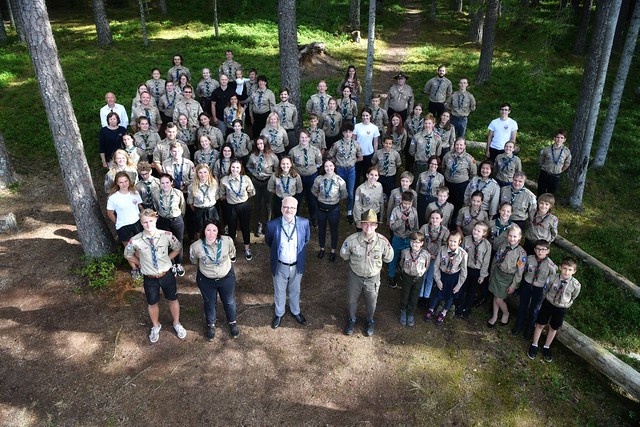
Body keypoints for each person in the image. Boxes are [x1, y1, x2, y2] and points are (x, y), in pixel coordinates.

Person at [124, 209, 186, 343]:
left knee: (173, 299)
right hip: (150, 278)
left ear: (156, 220)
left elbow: (177, 247)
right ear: (141, 223)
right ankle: (156, 326)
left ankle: (176, 323)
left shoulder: (167, 235)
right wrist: (140, 263)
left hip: (166, 275)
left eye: (151, 221)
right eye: (145, 222)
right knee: (152, 303)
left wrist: (169, 259)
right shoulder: (135, 240)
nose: (148, 224)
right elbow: (127, 255)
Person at [340, 209, 394, 337]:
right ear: (361, 225)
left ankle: (370, 320)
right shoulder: (352, 240)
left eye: (371, 224)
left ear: (376, 225)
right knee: (352, 299)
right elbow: (344, 254)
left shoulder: (383, 241)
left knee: (371, 301)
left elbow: (389, 257)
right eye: (365, 223)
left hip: (373, 277)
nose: (368, 226)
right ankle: (352, 319)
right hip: (355, 276)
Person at [189, 218, 239, 340]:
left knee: (229, 301)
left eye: (214, 230)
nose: (211, 233)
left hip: (226, 277)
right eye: (208, 230)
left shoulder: (227, 241)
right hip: (206, 279)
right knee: (209, 303)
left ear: (218, 231)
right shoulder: (196, 246)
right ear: (203, 231)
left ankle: (232, 322)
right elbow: (193, 260)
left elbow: (232, 253)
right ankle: (211, 324)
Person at [265, 196, 311, 329]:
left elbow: (306, 240)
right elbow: (270, 242)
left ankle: (295, 311)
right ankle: (279, 313)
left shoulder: (304, 223)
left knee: (295, 290)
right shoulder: (272, 225)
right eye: (285, 207)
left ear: (296, 209)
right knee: (279, 291)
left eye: (292, 207)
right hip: (280, 265)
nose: (288, 210)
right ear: (281, 208)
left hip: (297, 265)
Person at [528, 256, 581, 362]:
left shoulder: (576, 285)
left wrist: (566, 303)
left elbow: (573, 296)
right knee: (540, 324)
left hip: (561, 308)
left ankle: (546, 347)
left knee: (553, 327)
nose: (566, 272)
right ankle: (534, 344)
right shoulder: (552, 278)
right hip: (548, 303)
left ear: (574, 271)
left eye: (570, 270)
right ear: (560, 268)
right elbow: (545, 290)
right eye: (565, 268)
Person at [513, 240, 557, 339]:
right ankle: (518, 325)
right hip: (527, 285)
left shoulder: (551, 266)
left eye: (543, 249)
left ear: (548, 251)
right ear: (534, 250)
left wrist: (547, 293)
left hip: (539, 289)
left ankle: (529, 329)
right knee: (522, 306)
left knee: (534, 310)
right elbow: (522, 271)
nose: (540, 251)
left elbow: (551, 280)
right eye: (538, 249)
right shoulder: (529, 259)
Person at [424, 231, 468, 326]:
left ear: (459, 242)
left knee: (450, 296)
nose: (452, 243)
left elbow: (464, 272)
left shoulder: (463, 254)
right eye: (450, 241)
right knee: (436, 294)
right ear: (448, 240)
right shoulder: (442, 250)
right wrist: (438, 280)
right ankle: (431, 309)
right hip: (442, 275)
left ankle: (443, 313)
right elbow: (436, 266)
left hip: (454, 278)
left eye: (455, 241)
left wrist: (459, 285)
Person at [487, 225, 527, 327]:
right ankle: (495, 316)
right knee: (496, 296)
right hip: (497, 274)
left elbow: (519, 272)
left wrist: (514, 285)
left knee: (499, 299)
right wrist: (492, 273)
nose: (512, 238)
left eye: (514, 236)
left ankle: (506, 313)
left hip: (508, 278)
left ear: (519, 237)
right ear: (507, 236)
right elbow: (495, 261)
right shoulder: (502, 247)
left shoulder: (521, 253)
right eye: (510, 236)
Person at [219, 159, 256, 260]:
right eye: (233, 167)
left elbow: (252, 192)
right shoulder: (224, 180)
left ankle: (247, 248)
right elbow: (221, 195)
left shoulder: (246, 179)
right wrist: (230, 197)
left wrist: (242, 198)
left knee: (245, 227)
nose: (235, 169)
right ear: (230, 168)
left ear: (241, 169)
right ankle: (232, 250)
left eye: (237, 167)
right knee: (232, 228)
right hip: (231, 207)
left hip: (244, 206)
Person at [312, 159, 347, 262]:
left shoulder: (340, 181)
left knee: (334, 230)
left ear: (334, 167)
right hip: (321, 209)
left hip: (333, 209)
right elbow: (314, 191)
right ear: (324, 168)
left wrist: (335, 200)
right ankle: (322, 248)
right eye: (326, 166)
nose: (329, 168)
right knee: (321, 229)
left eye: (331, 166)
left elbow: (344, 194)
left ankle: (332, 251)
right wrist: (320, 198)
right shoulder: (319, 179)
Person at [328, 123, 363, 224]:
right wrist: (337, 162)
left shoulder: (356, 144)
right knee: (337, 191)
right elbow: (330, 156)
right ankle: (336, 210)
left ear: (352, 133)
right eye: (346, 132)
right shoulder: (337, 144)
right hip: (340, 170)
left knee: (351, 193)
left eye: (350, 132)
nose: (348, 134)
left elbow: (361, 157)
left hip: (351, 170)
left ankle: (349, 212)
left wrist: (352, 161)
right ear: (342, 133)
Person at [153, 173, 187, 276]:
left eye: (167, 182)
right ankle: (171, 263)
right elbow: (156, 207)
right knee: (166, 243)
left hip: (177, 220)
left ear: (171, 183)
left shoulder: (178, 193)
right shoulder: (156, 194)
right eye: (162, 183)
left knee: (178, 241)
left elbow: (182, 207)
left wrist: (178, 217)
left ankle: (179, 263)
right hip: (163, 221)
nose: (165, 185)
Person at [457, 221, 492, 318]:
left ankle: (466, 309)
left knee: (471, 291)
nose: (475, 232)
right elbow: (460, 254)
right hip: (465, 268)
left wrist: (482, 275)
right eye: (475, 229)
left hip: (476, 271)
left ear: (484, 233)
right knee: (462, 288)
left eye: (479, 231)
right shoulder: (466, 240)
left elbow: (486, 261)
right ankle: (459, 307)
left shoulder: (487, 245)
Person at [246, 137, 279, 237]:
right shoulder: (253, 155)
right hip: (256, 182)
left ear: (265, 144)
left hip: (267, 182)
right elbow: (249, 166)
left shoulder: (272, 156)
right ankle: (259, 224)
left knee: (268, 204)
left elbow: (277, 169)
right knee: (257, 204)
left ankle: (268, 225)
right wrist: (254, 173)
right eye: (258, 144)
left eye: (262, 144)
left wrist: (272, 177)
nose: (260, 146)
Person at [290, 129, 322, 226]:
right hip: (298, 177)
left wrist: (310, 169)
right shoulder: (293, 151)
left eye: (305, 137)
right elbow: (291, 164)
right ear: (299, 138)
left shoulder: (315, 150)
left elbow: (319, 162)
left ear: (309, 138)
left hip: (311, 177)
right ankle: (295, 218)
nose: (304, 139)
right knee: (297, 198)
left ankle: (313, 218)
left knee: (311, 199)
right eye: (301, 137)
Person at [418, 210, 450, 306]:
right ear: (429, 219)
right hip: (423, 256)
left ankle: (426, 297)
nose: (434, 220)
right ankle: (420, 296)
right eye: (432, 218)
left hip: (436, 258)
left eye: (437, 218)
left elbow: (446, 246)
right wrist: (425, 254)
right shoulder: (424, 228)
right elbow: (419, 241)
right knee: (422, 276)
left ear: (441, 219)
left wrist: (436, 255)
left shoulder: (445, 231)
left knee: (430, 277)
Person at [388, 191, 419, 289]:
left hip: (409, 239)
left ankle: (404, 274)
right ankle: (391, 276)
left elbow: (416, 227)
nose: (406, 206)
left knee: (407, 259)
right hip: (398, 238)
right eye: (405, 203)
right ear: (401, 201)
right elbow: (392, 226)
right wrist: (401, 220)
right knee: (394, 257)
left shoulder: (414, 212)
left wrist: (415, 238)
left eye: (409, 204)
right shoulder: (396, 211)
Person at [398, 231, 430, 327]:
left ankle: (411, 313)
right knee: (405, 293)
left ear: (421, 243)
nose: (414, 244)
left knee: (415, 295)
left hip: (418, 277)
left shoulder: (425, 255)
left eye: (417, 242)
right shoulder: (405, 252)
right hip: (407, 276)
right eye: (412, 242)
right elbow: (401, 263)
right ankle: (403, 310)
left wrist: (421, 273)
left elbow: (426, 266)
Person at [106, 172, 143, 251]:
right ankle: (137, 263)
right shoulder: (113, 198)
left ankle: (142, 263)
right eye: (121, 182)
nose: (124, 184)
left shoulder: (134, 193)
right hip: (123, 227)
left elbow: (139, 206)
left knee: (140, 249)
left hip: (137, 224)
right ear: (117, 183)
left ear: (129, 181)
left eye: (126, 181)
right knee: (130, 251)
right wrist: (118, 222)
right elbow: (110, 213)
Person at [442, 138, 477, 218]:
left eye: (461, 145)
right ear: (454, 145)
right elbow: (443, 167)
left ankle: (454, 225)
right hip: (448, 184)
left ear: (465, 146)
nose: (459, 147)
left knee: (457, 205)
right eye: (457, 144)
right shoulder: (448, 155)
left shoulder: (469, 159)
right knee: (446, 203)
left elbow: (473, 173)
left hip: (461, 186)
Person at [188, 164, 219, 240]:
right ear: (197, 174)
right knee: (199, 231)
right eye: (200, 172)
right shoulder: (192, 186)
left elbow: (216, 197)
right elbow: (190, 202)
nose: (203, 175)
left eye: (205, 172)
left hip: (211, 210)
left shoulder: (214, 183)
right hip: (199, 211)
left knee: (213, 230)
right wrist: (197, 210)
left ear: (208, 172)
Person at [538, 129, 572, 196]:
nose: (559, 140)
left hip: (555, 176)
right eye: (557, 137)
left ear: (564, 140)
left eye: (561, 138)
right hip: (545, 174)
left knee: (551, 195)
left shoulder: (566, 151)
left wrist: (560, 171)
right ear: (554, 138)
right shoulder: (546, 149)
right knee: (541, 193)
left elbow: (567, 164)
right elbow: (540, 161)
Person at [410, 113, 442, 179]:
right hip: (419, 164)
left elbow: (438, 153)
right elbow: (411, 151)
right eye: (426, 123)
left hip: (431, 165)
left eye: (429, 123)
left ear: (433, 124)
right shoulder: (416, 137)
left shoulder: (437, 138)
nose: (427, 125)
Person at [416, 156, 445, 227]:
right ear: (429, 164)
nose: (433, 166)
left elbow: (442, 191)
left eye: (435, 164)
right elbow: (417, 188)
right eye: (432, 163)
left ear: (438, 166)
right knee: (421, 216)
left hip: (433, 199)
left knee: (431, 217)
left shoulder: (441, 177)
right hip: (423, 198)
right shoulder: (422, 175)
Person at [354, 107, 380, 182]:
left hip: (369, 154)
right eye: (363, 115)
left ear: (370, 115)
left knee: (367, 174)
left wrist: (375, 153)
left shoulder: (374, 128)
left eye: (367, 115)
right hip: (358, 154)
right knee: (357, 174)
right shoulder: (357, 126)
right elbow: (353, 140)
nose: (365, 117)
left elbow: (375, 142)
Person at [371, 135, 402, 201]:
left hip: (390, 176)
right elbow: (373, 162)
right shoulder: (378, 153)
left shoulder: (395, 154)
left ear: (392, 144)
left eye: (390, 144)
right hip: (380, 176)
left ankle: (387, 206)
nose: (388, 145)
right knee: (379, 191)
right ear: (383, 143)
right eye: (386, 143)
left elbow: (398, 164)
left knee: (389, 193)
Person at [404, 103, 424, 172]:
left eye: (419, 109)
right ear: (413, 110)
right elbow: (405, 131)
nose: (417, 111)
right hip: (410, 141)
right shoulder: (408, 120)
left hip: (420, 142)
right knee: (409, 159)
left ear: (421, 111)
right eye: (416, 109)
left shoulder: (424, 121)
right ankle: (407, 173)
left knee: (416, 159)